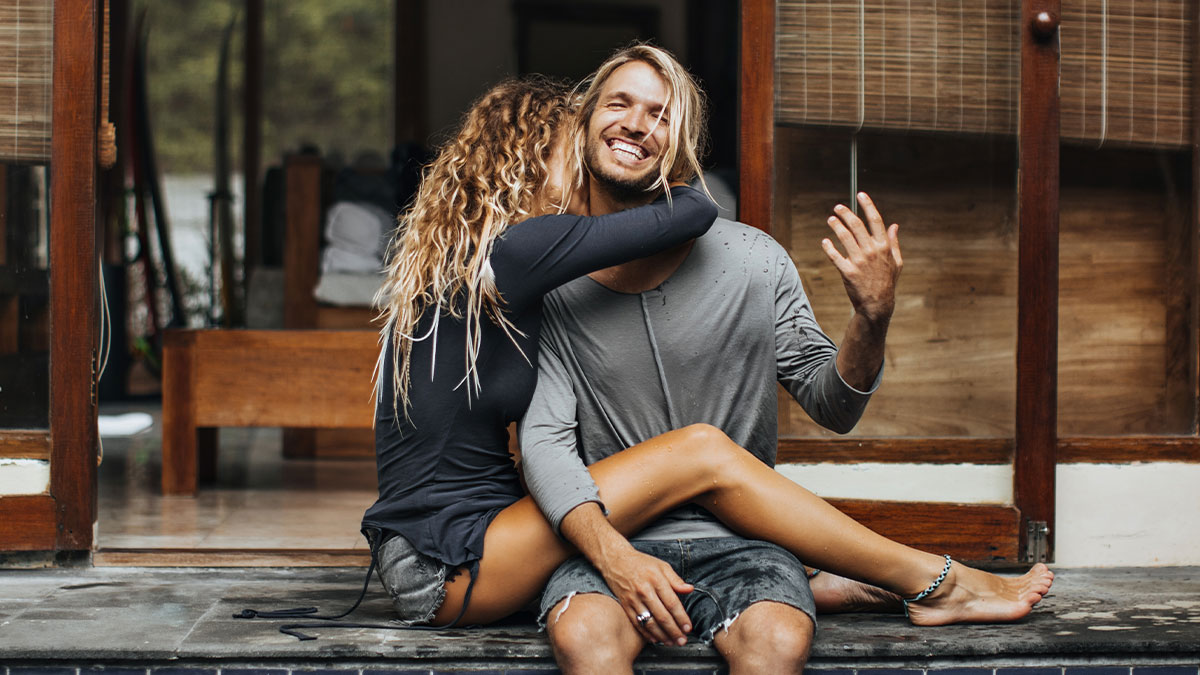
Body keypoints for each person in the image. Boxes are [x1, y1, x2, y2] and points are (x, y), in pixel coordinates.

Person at [360, 69, 1052, 636]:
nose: (577, 184)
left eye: (660, 115)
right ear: (532, 162)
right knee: (701, 451)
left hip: (453, 544)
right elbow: (693, 210)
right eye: (575, 155)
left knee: (692, 472)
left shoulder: (469, 266)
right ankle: (937, 580)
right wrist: (666, 151)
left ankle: (826, 581)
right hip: (449, 562)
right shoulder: (516, 254)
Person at [519, 44, 902, 675]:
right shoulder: (550, 278)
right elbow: (545, 443)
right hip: (609, 537)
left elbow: (833, 408)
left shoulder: (755, 260)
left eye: (661, 114)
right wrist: (614, 556)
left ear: (683, 144)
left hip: (744, 544)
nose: (637, 124)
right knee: (585, 634)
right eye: (619, 103)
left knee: (777, 639)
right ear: (584, 121)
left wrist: (872, 319)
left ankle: (820, 582)